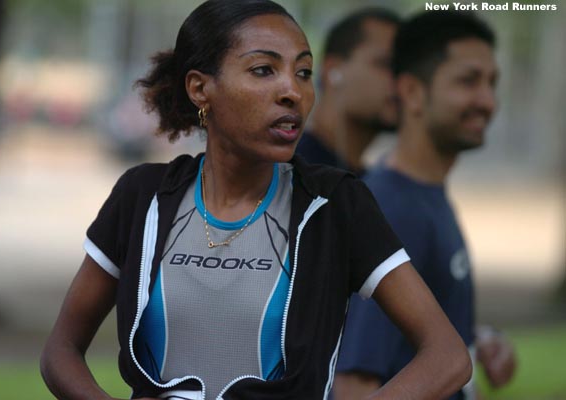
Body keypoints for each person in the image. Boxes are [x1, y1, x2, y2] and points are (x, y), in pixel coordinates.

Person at [40, 1, 472, 399]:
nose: (292, 92)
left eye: (303, 73)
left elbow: (447, 356)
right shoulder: (142, 197)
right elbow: (61, 350)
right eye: (264, 70)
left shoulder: (334, 203)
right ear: (200, 89)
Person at [334, 10, 516, 400]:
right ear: (412, 92)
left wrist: (476, 340)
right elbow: (354, 385)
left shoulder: (423, 196)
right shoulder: (393, 209)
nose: (487, 100)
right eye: (468, 81)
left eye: (492, 82)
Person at [296, 8, 400, 176]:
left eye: (403, 70)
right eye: (385, 64)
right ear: (332, 70)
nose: (400, 81)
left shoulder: (365, 184)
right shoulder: (284, 172)